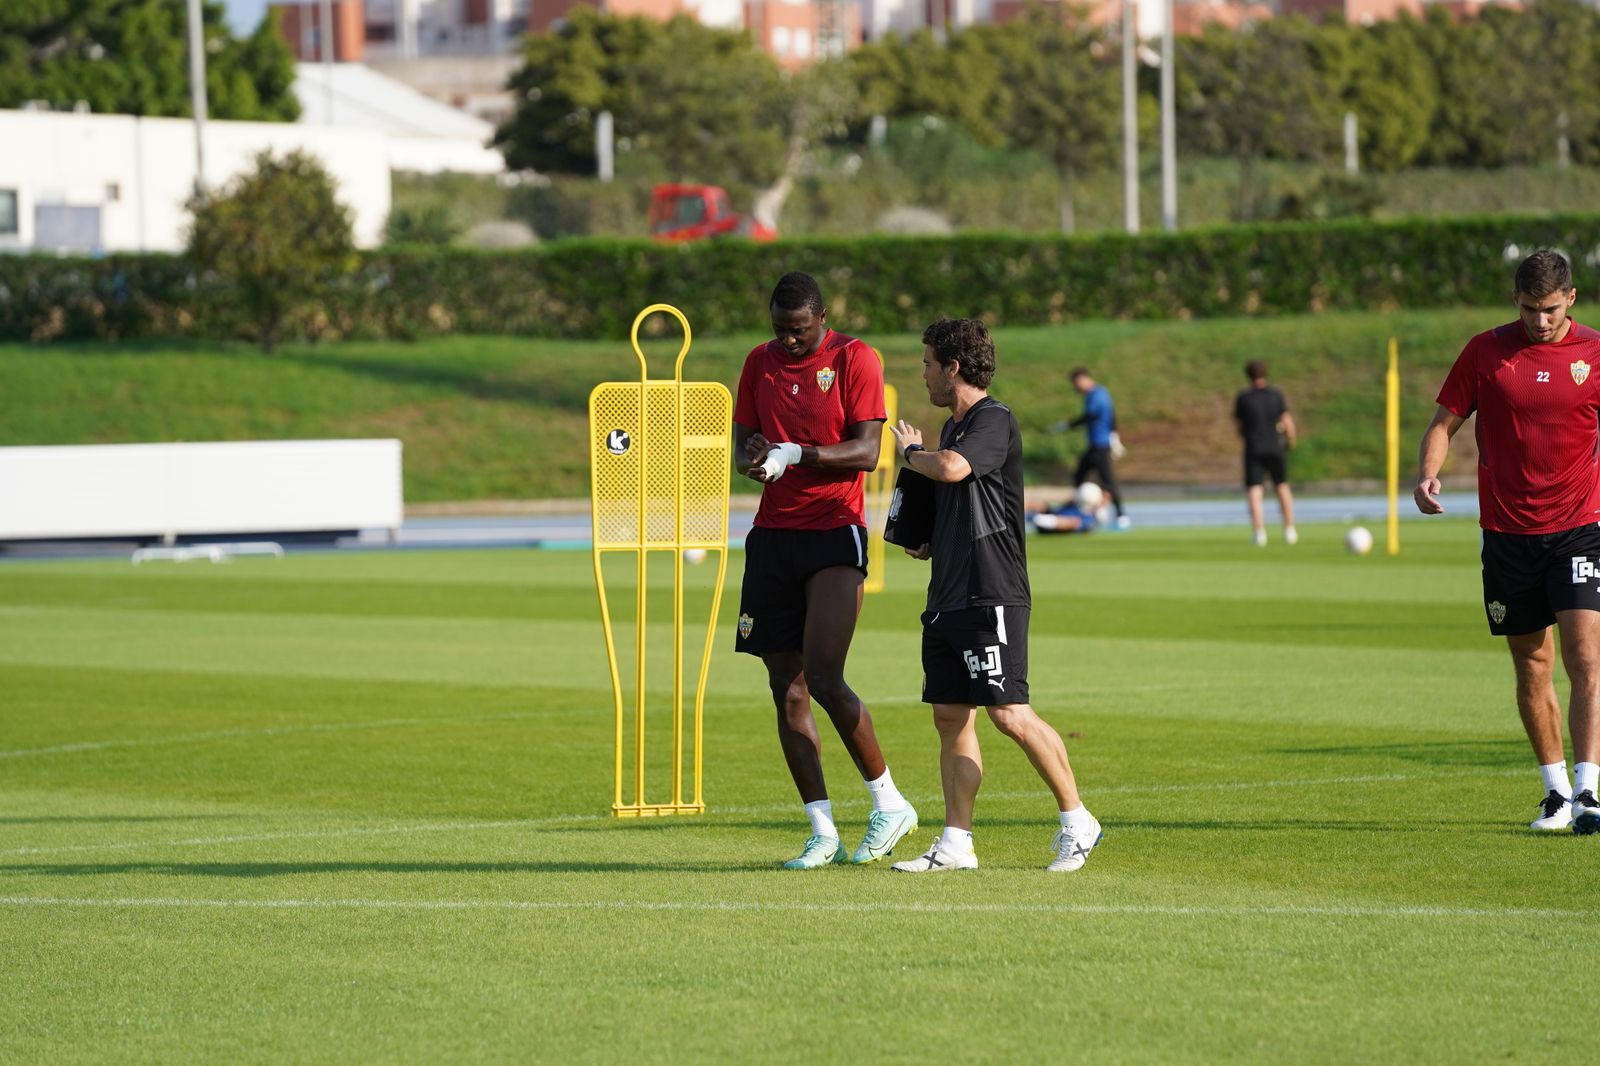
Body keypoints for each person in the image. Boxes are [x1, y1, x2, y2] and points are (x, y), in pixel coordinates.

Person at [888, 318, 1102, 873]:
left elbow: (954, 471)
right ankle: (956, 844)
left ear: (953, 368)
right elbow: (963, 496)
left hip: (992, 593)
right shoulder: (954, 429)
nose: (925, 374)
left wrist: (911, 453)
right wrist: (930, 539)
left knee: (1009, 711)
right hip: (949, 593)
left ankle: (1078, 820)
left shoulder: (992, 419)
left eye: (929, 364)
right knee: (950, 716)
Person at [732, 271, 918, 868]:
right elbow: (741, 444)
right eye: (780, 330)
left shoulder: (854, 358)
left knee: (825, 675)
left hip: (834, 531)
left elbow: (868, 451)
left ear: (821, 319)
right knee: (784, 687)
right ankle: (821, 831)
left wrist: (800, 454)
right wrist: (758, 461)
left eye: (800, 330)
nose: (788, 341)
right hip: (772, 537)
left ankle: (889, 803)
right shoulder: (757, 363)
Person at [1414, 249, 1600, 835]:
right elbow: (1444, 423)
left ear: (1570, 298)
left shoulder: (1594, 353)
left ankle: (1591, 791)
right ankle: (1555, 793)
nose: (1538, 322)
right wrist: (1427, 473)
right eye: (1527, 309)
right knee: (1532, 664)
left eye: (1548, 310)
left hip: (1579, 526)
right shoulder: (1484, 351)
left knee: (1586, 657)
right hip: (1507, 533)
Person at [1234, 360, 1298, 547]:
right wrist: (1291, 440)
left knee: (1255, 490)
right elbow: (1287, 422)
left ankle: (1259, 533)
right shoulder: (1275, 395)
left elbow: (1238, 426)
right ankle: (1289, 530)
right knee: (1282, 486)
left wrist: (1246, 436)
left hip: (1253, 447)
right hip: (1275, 446)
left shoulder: (1243, 398)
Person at [1068, 368, 1129, 529]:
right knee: (1079, 475)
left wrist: (1070, 424)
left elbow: (1092, 415)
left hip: (1100, 444)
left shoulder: (1097, 394)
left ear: (1082, 379)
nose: (1076, 388)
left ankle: (1121, 515)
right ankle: (1087, 509)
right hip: (1095, 444)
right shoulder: (1097, 394)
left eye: (1076, 384)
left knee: (1107, 480)